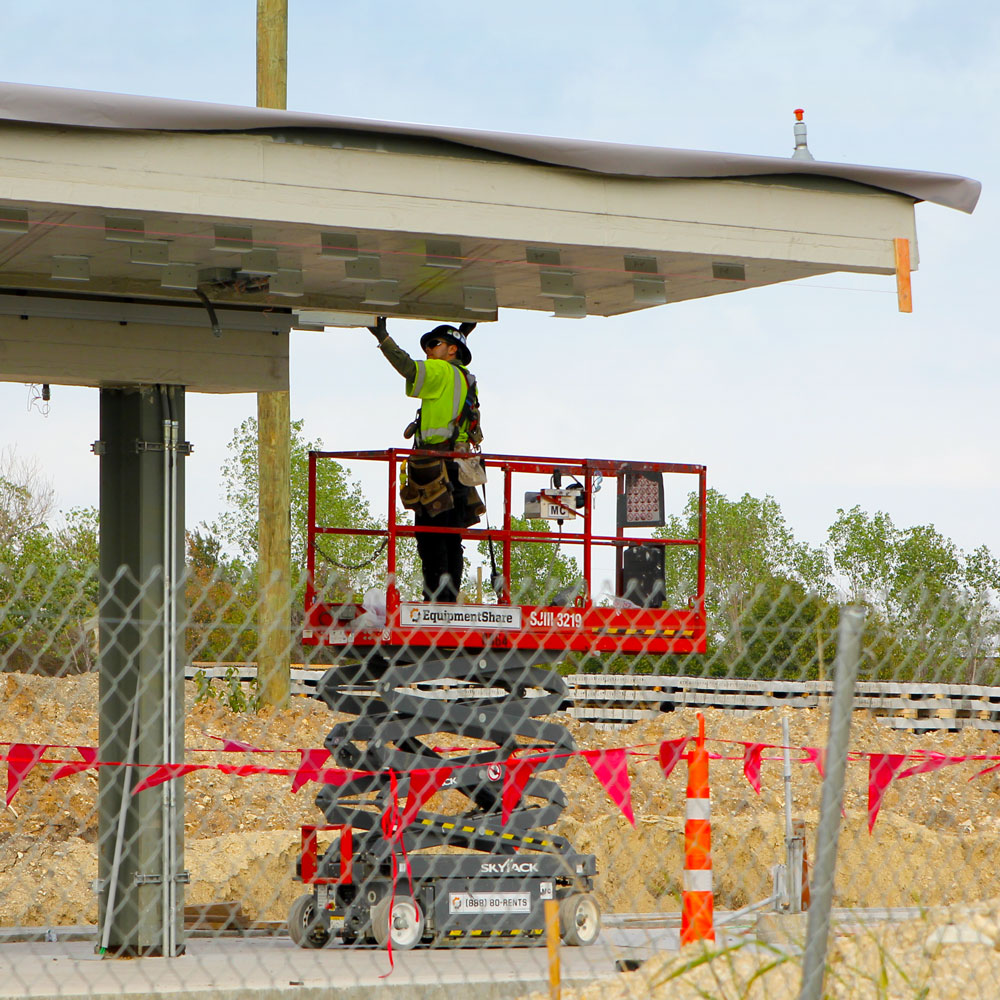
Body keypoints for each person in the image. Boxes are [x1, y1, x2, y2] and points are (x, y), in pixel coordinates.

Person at [367, 316, 485, 603]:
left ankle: (437, 601)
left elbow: (408, 368)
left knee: (430, 536)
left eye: (434, 344)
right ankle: (447, 598)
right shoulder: (466, 378)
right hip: (459, 468)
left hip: (435, 468)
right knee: (451, 537)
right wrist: (461, 333)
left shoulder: (440, 371)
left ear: (452, 350)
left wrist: (383, 338)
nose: (428, 351)